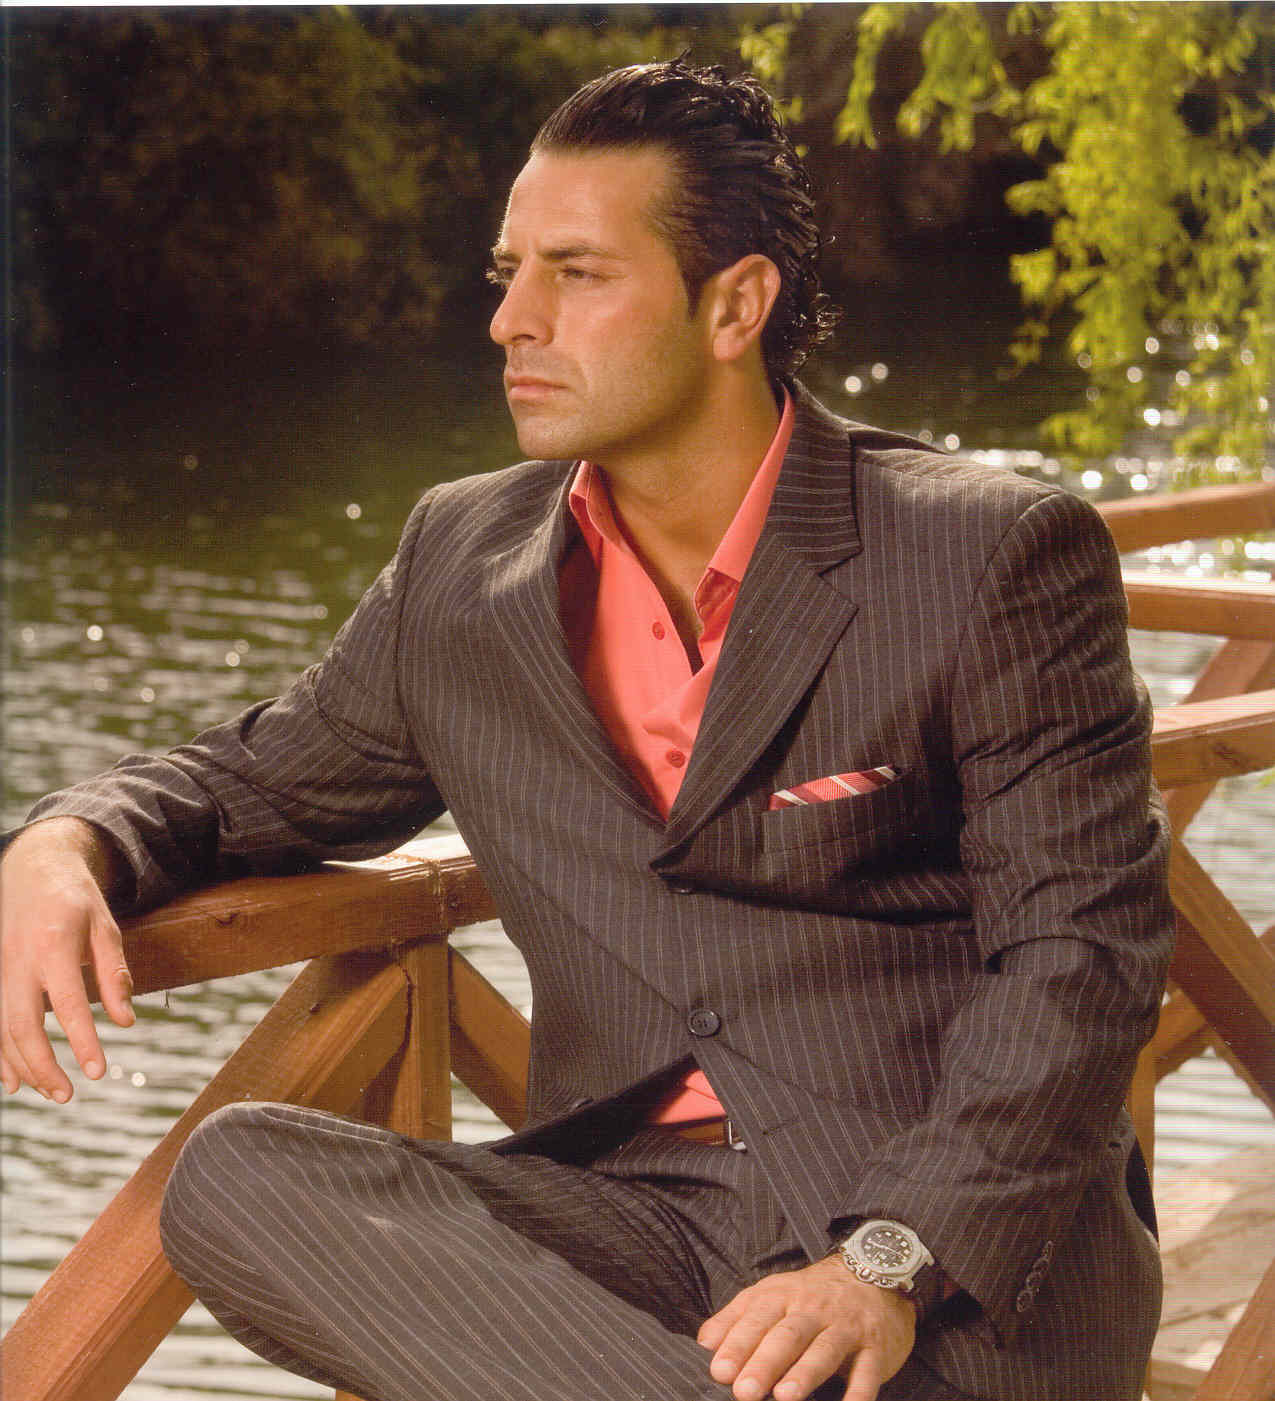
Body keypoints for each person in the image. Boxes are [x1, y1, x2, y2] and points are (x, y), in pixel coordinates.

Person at [1, 61, 1173, 1401]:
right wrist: (63, 843)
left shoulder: (986, 551)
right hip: (634, 1227)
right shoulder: (462, 565)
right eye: (511, 274)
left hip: (941, 1262)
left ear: (734, 305)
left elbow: (1081, 955)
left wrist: (887, 1266)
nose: (511, 321)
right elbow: (251, 780)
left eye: (577, 275)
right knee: (237, 1175)